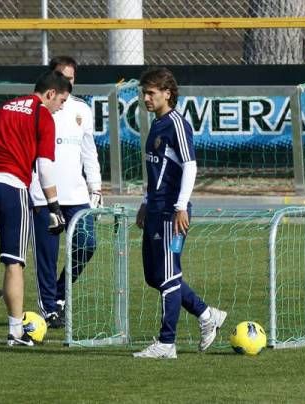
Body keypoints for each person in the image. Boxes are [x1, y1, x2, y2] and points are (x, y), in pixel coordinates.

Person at [0, 70, 71, 346]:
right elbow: (45, 168)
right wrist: (55, 207)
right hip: (10, 188)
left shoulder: (3, 107)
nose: (60, 108)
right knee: (14, 263)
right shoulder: (42, 114)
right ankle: (15, 331)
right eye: (61, 101)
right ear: (49, 94)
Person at [133, 67, 227, 359]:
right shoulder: (157, 124)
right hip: (156, 209)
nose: (146, 98)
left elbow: (190, 165)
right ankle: (206, 313)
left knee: (169, 275)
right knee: (155, 276)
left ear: (167, 93)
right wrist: (146, 202)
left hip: (171, 213)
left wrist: (181, 206)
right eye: (144, 93)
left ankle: (166, 343)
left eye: (151, 93)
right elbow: (156, 169)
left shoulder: (177, 123)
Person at [29, 56, 102, 329]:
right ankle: (48, 308)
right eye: (62, 76)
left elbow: (89, 151)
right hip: (44, 195)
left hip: (77, 195)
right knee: (47, 256)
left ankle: (60, 294)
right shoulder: (40, 109)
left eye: (71, 78)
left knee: (88, 244)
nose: (67, 82)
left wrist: (95, 186)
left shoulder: (82, 109)